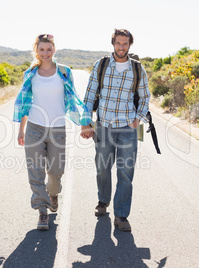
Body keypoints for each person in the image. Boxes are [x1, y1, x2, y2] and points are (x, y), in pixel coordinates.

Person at [13, 34, 91, 231]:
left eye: (49, 49)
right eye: (41, 49)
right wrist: (21, 129)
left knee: (56, 172)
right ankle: (42, 211)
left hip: (57, 128)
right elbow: (25, 103)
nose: (45, 53)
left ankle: (53, 194)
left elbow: (73, 98)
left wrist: (83, 122)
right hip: (34, 128)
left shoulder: (64, 72)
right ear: (36, 51)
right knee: (35, 171)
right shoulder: (30, 73)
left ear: (54, 50)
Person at [81, 29, 151, 232]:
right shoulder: (101, 65)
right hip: (103, 126)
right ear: (113, 43)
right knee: (103, 168)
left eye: (125, 43)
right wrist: (86, 122)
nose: (121, 47)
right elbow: (89, 94)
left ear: (130, 45)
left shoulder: (137, 69)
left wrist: (138, 119)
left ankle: (121, 215)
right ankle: (103, 201)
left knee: (126, 173)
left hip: (128, 129)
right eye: (118, 43)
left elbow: (145, 97)